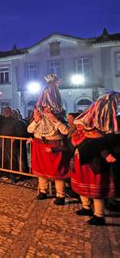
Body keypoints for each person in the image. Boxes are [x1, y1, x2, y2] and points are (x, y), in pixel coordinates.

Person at [69, 92, 119, 225]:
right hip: (82, 162)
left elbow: (102, 145)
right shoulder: (81, 134)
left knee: (97, 190)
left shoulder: (102, 132)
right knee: (82, 186)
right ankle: (86, 207)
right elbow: (74, 143)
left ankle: (99, 215)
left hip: (95, 164)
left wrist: (106, 154)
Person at [28, 74, 69, 205]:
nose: (45, 108)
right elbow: (29, 130)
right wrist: (36, 120)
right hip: (40, 144)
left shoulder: (59, 117)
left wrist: (55, 120)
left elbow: (66, 131)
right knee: (41, 172)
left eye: (47, 106)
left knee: (57, 173)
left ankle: (60, 195)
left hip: (54, 145)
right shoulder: (39, 118)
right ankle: (43, 191)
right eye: (44, 106)